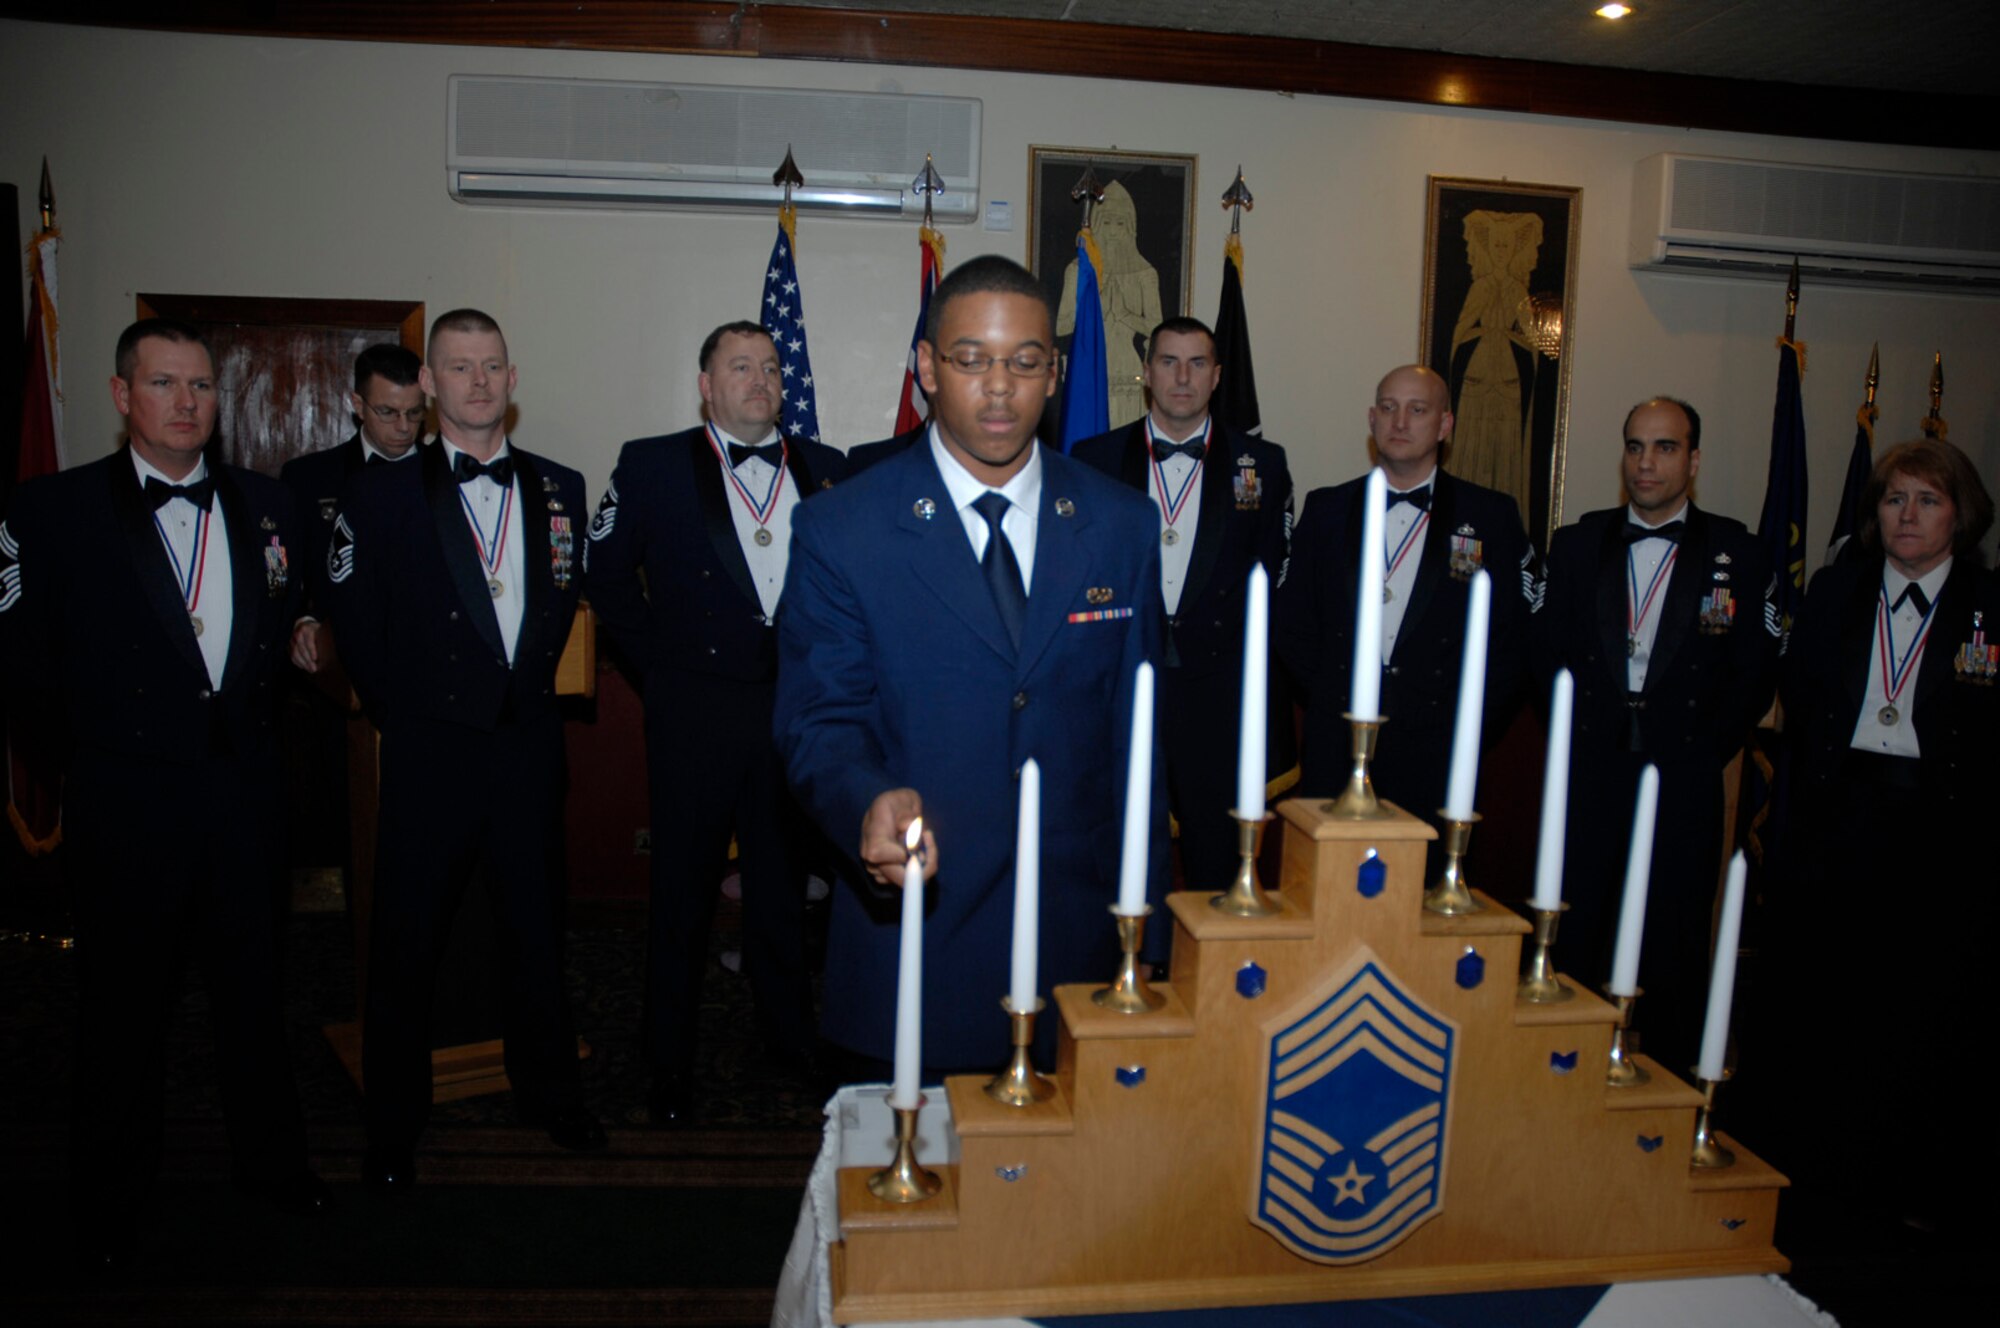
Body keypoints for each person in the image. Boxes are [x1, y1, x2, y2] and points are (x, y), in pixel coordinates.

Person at [774, 255, 1166, 1076]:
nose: (1000, 387)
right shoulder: (846, 527)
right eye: (971, 360)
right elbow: (820, 720)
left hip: (1079, 935)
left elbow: (1139, 739)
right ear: (926, 368)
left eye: (1024, 362)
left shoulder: (1119, 523)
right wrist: (867, 802)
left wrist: (1149, 928)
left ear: (1054, 375)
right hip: (919, 930)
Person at [0, 319, 327, 1268]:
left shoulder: (270, 506)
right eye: (164, 384)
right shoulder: (49, 510)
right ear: (120, 396)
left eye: (201, 387)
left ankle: (271, 1164)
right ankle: (107, 1195)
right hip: (126, 798)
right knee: (121, 1009)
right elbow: (22, 665)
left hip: (243, 799)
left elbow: (284, 616)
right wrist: (98, 755)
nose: (186, 403)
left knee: (256, 996)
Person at [326, 308, 599, 1186]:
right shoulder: (380, 492)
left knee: (535, 934)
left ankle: (552, 1095)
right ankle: (393, 1124)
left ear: (512, 380)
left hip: (526, 748)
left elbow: (557, 603)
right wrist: (409, 721)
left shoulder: (561, 486)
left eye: (492, 366)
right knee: (406, 944)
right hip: (432, 750)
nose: (478, 381)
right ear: (430, 385)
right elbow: (358, 628)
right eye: (459, 367)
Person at [586, 321, 845, 1124]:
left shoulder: (827, 469)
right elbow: (605, 575)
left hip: (792, 712)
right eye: (741, 367)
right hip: (695, 709)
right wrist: (658, 673)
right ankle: (667, 1059)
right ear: (706, 384)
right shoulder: (653, 463)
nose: (760, 381)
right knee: (683, 893)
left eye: (770, 368)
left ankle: (789, 1039)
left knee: (779, 891)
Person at [1775, 438, 1995, 1229]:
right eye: (1894, 499)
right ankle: (1818, 1168)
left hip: (1941, 835)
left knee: (1923, 1006)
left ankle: (1913, 1182)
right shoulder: (1837, 591)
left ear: (1959, 513)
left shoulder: (1989, 605)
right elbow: (1799, 690)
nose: (1907, 516)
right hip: (1841, 820)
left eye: (1927, 501)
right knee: (1832, 996)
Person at [1536, 397, 1778, 1069]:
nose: (1647, 462)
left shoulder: (1739, 552)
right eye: (1636, 446)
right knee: (1577, 934)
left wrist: (1701, 752)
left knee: (1672, 941)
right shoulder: (1578, 543)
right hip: (1590, 772)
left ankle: (1667, 1104)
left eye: (1665, 447)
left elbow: (1753, 673)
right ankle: (1563, 1074)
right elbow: (1547, 654)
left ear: (1693, 460)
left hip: (1684, 774)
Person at [1274, 364, 1535, 878]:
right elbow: (1292, 623)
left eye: (1418, 410)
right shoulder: (1326, 509)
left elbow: (1513, 641)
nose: (1400, 421)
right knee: (1328, 894)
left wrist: (1465, 724)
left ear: (1445, 425)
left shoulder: (1491, 516)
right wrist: (1335, 694)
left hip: (1438, 749)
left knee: (1424, 899)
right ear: (1371, 420)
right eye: (1389, 408)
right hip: (1338, 746)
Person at [1074, 316, 1292, 890]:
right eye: (1169, 361)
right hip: (1121, 683)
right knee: (1117, 844)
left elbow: (1271, 580)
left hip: (1217, 691)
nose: (1182, 377)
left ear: (1217, 376)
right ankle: (1124, 966)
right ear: (1146, 373)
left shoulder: (1263, 466)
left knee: (1213, 856)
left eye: (1197, 364)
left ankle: (1203, 974)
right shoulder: (1092, 457)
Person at [280, 342, 426, 674]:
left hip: (428, 662)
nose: (404, 427)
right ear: (358, 405)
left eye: (415, 412)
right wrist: (301, 621)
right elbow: (287, 575)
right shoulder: (309, 478)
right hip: (339, 666)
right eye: (388, 412)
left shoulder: (447, 477)